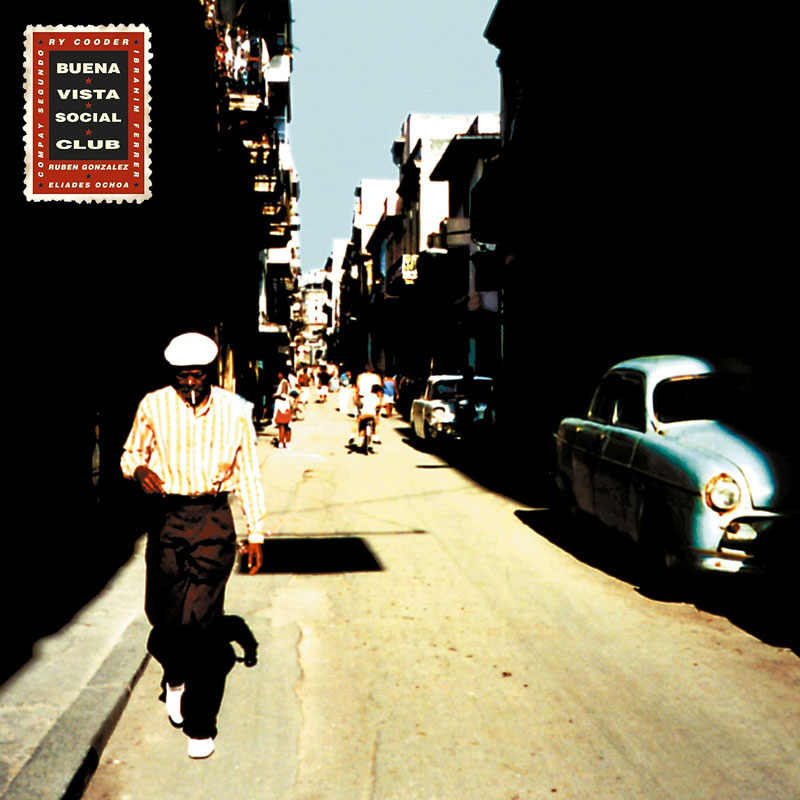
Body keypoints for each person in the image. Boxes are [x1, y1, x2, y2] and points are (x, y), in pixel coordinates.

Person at [121, 332, 268, 759]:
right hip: (168, 519)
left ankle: (201, 724)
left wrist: (255, 531)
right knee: (165, 617)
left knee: (202, 623)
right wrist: (139, 469)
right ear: (172, 374)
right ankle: (175, 673)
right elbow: (130, 453)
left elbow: (249, 473)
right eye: (182, 375)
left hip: (213, 520)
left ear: (209, 371)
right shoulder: (153, 405)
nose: (190, 382)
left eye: (197, 374)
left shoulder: (233, 411)